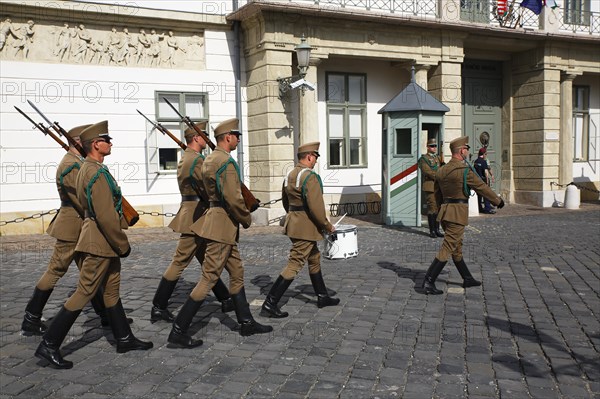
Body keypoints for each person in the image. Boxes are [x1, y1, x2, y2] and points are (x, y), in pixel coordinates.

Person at [35, 121, 152, 369]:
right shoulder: (95, 172)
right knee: (85, 291)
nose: (111, 143)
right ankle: (49, 344)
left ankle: (124, 338)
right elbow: (106, 215)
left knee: (110, 291)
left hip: (100, 239)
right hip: (101, 240)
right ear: (96, 144)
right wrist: (122, 244)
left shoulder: (90, 167)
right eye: (107, 139)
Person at [167, 118, 272, 349]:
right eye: (237, 135)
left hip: (215, 219)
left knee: (237, 271)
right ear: (228, 137)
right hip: (223, 224)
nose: (238, 139)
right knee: (209, 278)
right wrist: (246, 218)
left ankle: (245, 322)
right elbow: (233, 198)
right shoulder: (225, 162)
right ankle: (178, 331)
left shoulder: (209, 160)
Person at [21, 124, 112, 335]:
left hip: (81, 225)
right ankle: (31, 318)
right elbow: (81, 200)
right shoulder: (71, 166)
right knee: (56, 270)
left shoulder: (78, 163)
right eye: (85, 140)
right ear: (79, 142)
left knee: (91, 272)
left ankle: (106, 314)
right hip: (72, 226)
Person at [150, 122, 234, 323]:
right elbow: (206, 188)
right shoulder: (196, 160)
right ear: (196, 138)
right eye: (204, 136)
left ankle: (225, 298)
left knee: (206, 258)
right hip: (197, 215)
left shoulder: (188, 157)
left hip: (195, 213)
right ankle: (159, 306)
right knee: (180, 261)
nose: (207, 140)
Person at [261, 142, 339, 318]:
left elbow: (285, 201)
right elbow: (316, 208)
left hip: (294, 224)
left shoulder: (290, 174)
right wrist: (327, 225)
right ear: (310, 156)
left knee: (314, 258)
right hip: (306, 227)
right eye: (315, 158)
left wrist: (294, 217)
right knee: (294, 264)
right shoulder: (309, 177)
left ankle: (322, 296)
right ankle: (270, 303)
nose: (316, 162)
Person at [421, 136, 505, 295]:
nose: (467, 152)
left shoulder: (442, 170)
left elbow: (437, 194)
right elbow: (482, 187)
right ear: (461, 151)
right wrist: (497, 201)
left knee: (456, 247)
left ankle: (467, 278)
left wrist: (440, 210)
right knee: (448, 247)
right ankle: (429, 280)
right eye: (466, 149)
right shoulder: (464, 171)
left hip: (445, 212)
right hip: (457, 213)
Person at [418, 138, 444, 238]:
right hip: (430, 186)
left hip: (438, 187)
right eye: (432, 146)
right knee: (432, 208)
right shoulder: (424, 159)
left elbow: (441, 169)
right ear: (428, 147)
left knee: (438, 208)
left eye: (435, 146)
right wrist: (439, 175)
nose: (434, 148)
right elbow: (427, 171)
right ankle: (432, 230)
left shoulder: (437, 158)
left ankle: (437, 229)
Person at [474, 147, 496, 214]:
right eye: (486, 154)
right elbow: (486, 172)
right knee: (486, 195)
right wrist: (486, 182)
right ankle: (487, 209)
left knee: (479, 195)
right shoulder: (483, 162)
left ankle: (479, 208)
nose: (486, 155)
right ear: (483, 154)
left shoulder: (476, 161)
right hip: (483, 180)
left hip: (477, 180)